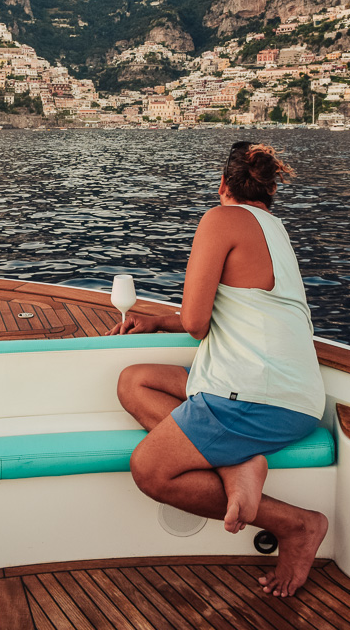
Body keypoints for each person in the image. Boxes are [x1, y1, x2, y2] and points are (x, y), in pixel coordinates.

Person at [107, 141, 328, 598]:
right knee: (135, 382)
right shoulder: (275, 229)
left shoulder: (219, 218)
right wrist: (155, 322)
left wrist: (173, 321)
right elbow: (221, 311)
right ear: (269, 192)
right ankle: (239, 461)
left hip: (254, 397)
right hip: (287, 394)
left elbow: (196, 323)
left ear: (223, 184)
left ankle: (296, 524)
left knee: (150, 470)